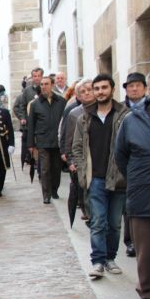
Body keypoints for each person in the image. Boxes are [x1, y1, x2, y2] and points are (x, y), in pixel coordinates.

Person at [115, 68, 150, 299]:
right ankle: (149, 292)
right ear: (148, 89)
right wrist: (140, 178)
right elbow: (121, 157)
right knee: (146, 251)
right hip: (144, 193)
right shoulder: (133, 120)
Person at [71, 74, 129, 279]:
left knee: (114, 223)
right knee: (97, 221)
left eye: (104, 87)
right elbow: (77, 148)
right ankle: (97, 261)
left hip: (119, 178)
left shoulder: (124, 115)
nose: (100, 92)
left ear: (112, 89)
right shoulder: (84, 118)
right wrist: (81, 171)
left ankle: (110, 258)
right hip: (94, 178)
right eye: (97, 88)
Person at [27, 75, 67, 204]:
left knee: (56, 168)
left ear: (52, 85)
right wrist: (31, 144)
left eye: (46, 84)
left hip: (57, 141)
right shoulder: (35, 104)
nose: (43, 86)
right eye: (42, 84)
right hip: (42, 140)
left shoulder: (61, 102)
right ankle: (46, 194)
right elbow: (31, 125)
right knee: (44, 169)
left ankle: (54, 189)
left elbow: (65, 122)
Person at [60, 79, 95, 222]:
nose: (86, 93)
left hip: (101, 160)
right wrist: (70, 159)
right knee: (85, 192)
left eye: (89, 89)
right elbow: (67, 137)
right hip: (83, 160)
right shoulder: (74, 113)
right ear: (77, 95)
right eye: (82, 91)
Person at [122, 72, 148, 256]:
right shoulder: (121, 111)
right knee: (130, 206)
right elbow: (119, 150)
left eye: (138, 85)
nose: (134, 88)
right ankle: (131, 241)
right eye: (131, 85)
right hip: (131, 166)